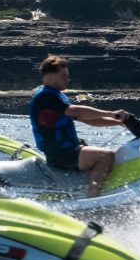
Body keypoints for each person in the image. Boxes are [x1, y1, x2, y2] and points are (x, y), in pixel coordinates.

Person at [29, 55, 128, 197]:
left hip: (69, 150)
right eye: (63, 76)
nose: (67, 79)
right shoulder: (45, 97)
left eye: (67, 76)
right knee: (106, 156)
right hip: (60, 154)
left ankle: (91, 191)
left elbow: (88, 119)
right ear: (49, 77)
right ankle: (93, 197)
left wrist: (119, 122)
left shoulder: (58, 96)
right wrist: (111, 113)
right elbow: (76, 111)